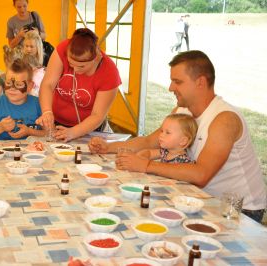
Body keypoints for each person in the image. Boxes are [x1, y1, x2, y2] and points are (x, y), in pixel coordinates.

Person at [89, 50, 267, 223]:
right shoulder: (182, 111)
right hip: (198, 196)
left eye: (177, 82)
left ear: (200, 82)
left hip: (239, 209)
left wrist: (147, 165)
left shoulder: (224, 119)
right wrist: (108, 147)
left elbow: (201, 174)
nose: (170, 88)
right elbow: (149, 141)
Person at [36, 28, 121, 142]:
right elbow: (48, 84)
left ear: (97, 58)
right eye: (71, 64)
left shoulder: (110, 72)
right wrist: (47, 111)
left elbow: (97, 115)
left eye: (81, 67)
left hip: (89, 129)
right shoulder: (63, 48)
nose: (75, 69)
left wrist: (72, 132)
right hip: (56, 122)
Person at [0, 59, 45, 140]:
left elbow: (50, 133)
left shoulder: (39, 104)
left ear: (30, 86)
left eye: (18, 85)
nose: (12, 89)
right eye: (8, 83)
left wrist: (29, 131)